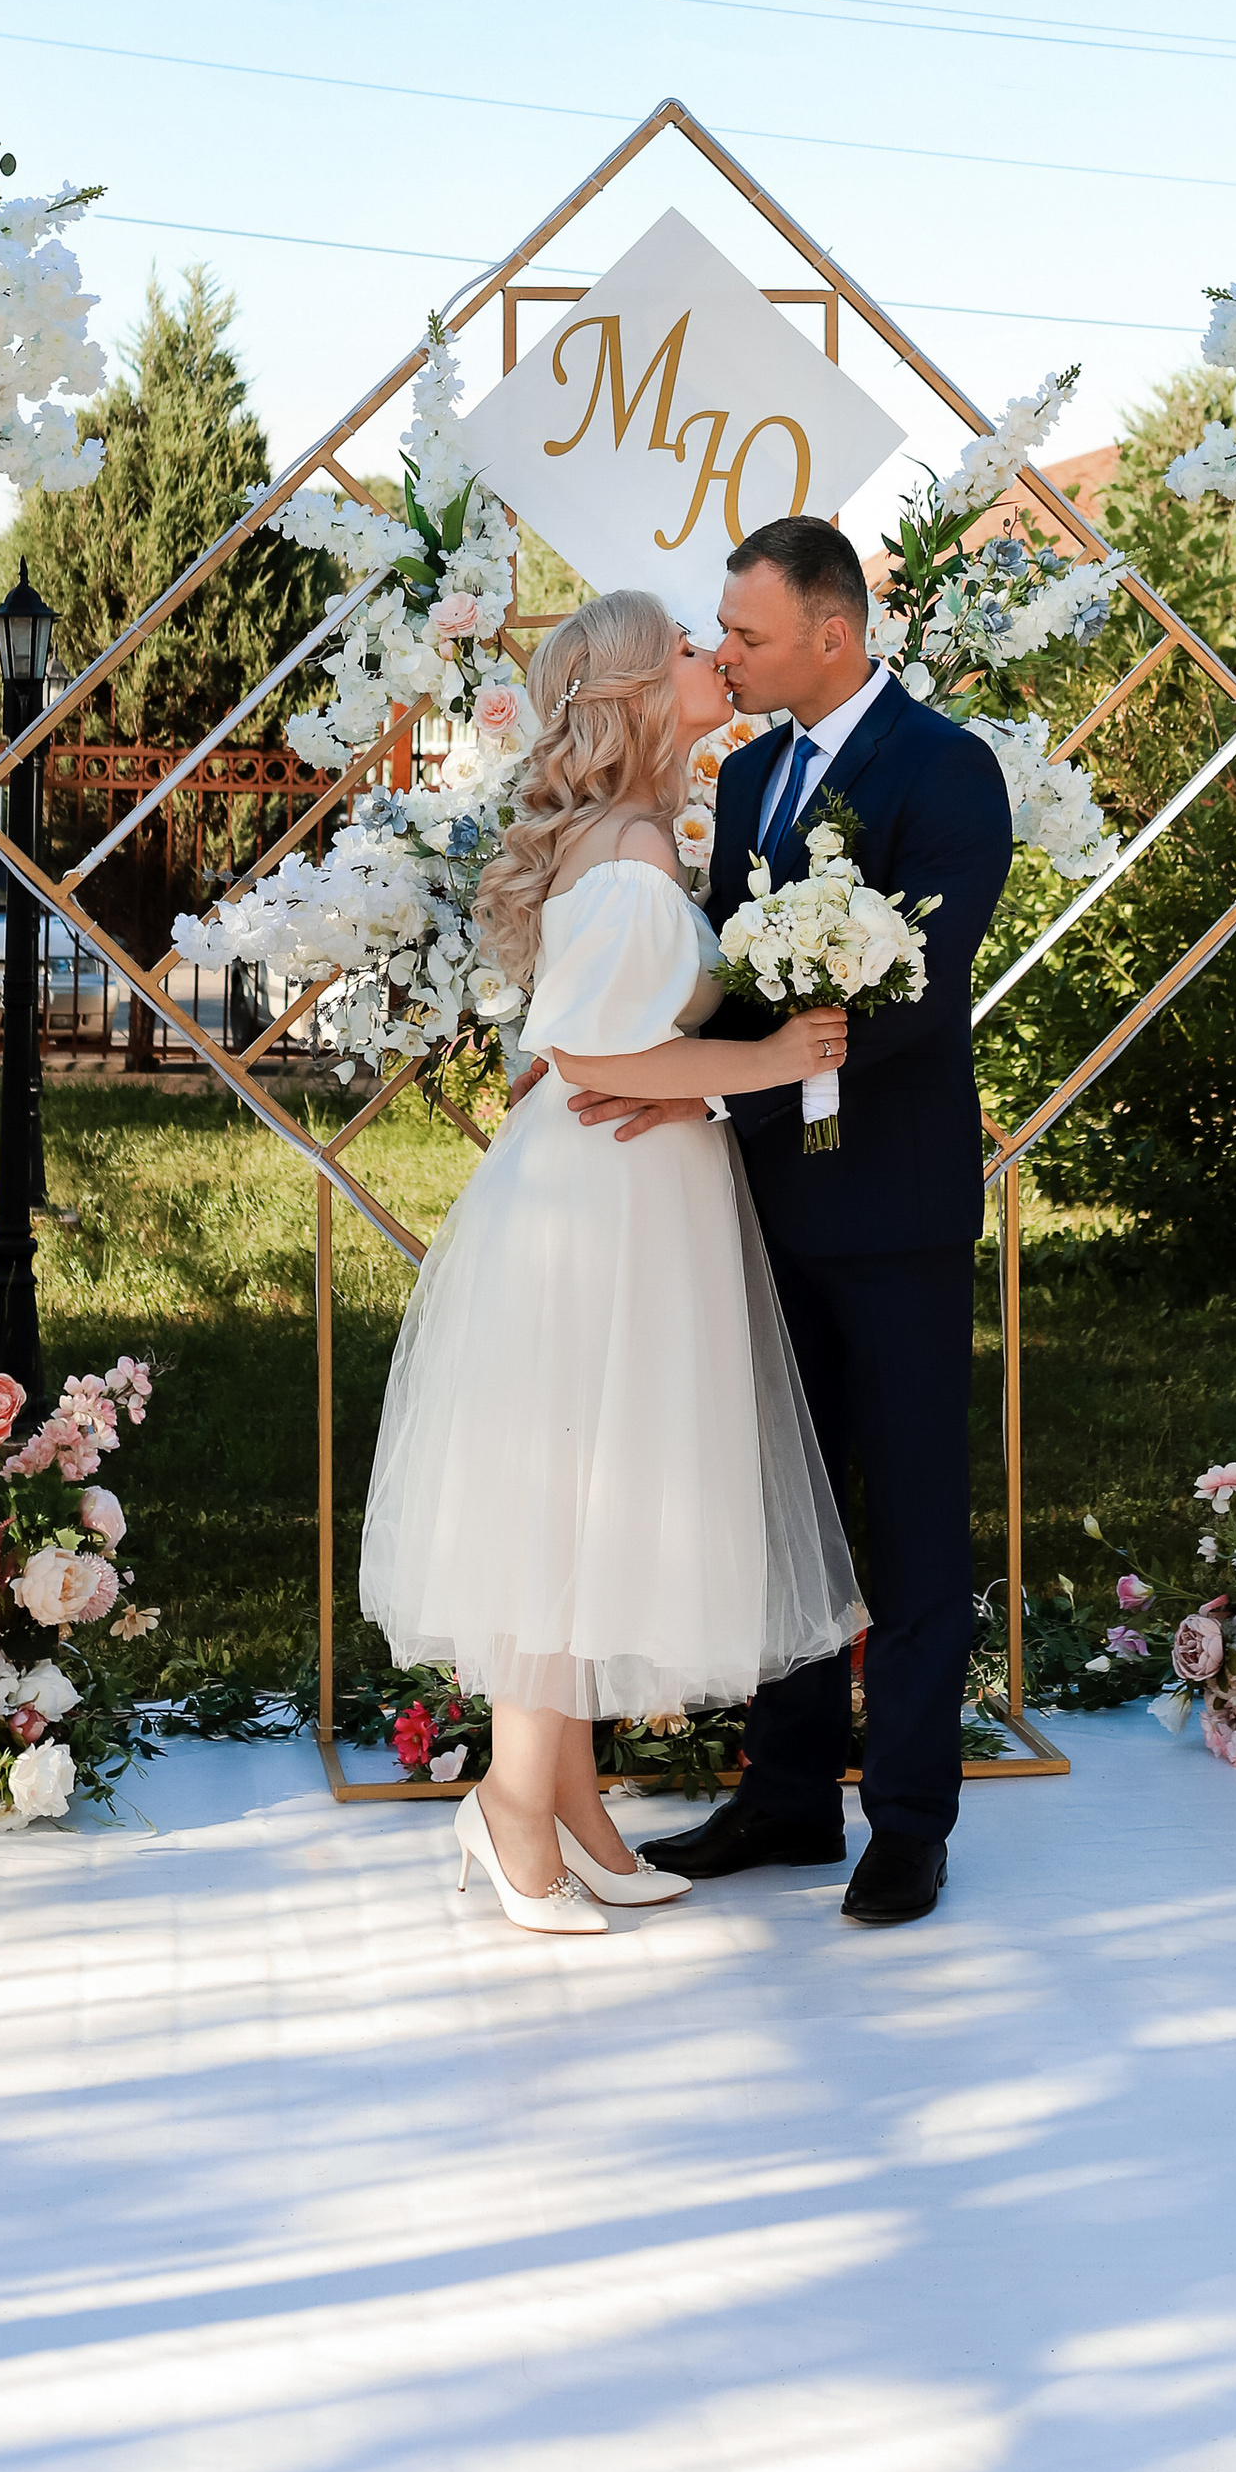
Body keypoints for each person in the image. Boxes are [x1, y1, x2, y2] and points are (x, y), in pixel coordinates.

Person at [357, 587, 865, 1938]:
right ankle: (513, 1807)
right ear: (641, 692)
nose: (715, 659)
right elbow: (586, 1051)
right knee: (569, 1499)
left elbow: (574, 1033)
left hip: (627, 1191)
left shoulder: (630, 833)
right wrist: (764, 1060)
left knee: (594, 1486)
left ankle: (572, 1806)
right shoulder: (634, 845)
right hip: (607, 1211)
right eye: (691, 650)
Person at [565, 517, 1014, 1928]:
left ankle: (910, 1821)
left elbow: (919, 996)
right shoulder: (748, 772)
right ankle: (786, 1793)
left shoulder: (948, 770)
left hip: (894, 1207)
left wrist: (735, 1087)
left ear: (836, 631)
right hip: (758, 1200)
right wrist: (659, 1070)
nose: (730, 654)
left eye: (747, 635)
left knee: (913, 1522)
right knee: (782, 1510)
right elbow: (722, 977)